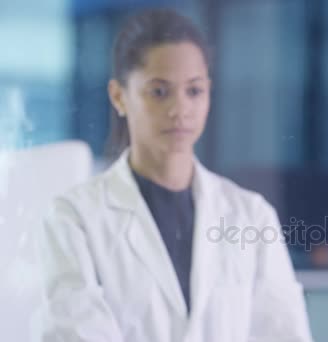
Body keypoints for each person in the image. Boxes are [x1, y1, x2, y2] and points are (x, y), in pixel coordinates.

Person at [36, 8, 313, 342]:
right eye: (159, 91)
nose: (180, 109)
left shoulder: (251, 216)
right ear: (119, 96)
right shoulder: (75, 218)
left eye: (193, 91)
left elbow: (283, 334)